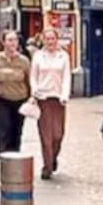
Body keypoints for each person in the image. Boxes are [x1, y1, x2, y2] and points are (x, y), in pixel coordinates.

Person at [0, 30, 32, 154]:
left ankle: (15, 161)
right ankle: (3, 159)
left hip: (20, 100)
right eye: (9, 40)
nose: (12, 43)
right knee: (4, 130)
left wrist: (32, 99)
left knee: (16, 132)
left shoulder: (24, 61)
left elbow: (29, 81)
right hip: (1, 100)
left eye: (15, 40)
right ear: (3, 42)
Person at [30, 28, 71, 180]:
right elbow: (33, 76)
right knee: (46, 135)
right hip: (43, 98)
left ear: (57, 39)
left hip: (58, 98)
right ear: (43, 40)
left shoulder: (63, 56)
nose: (50, 42)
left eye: (53, 38)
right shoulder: (38, 56)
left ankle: (53, 157)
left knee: (58, 134)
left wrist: (65, 95)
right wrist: (35, 92)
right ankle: (47, 166)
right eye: (47, 39)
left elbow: (66, 77)